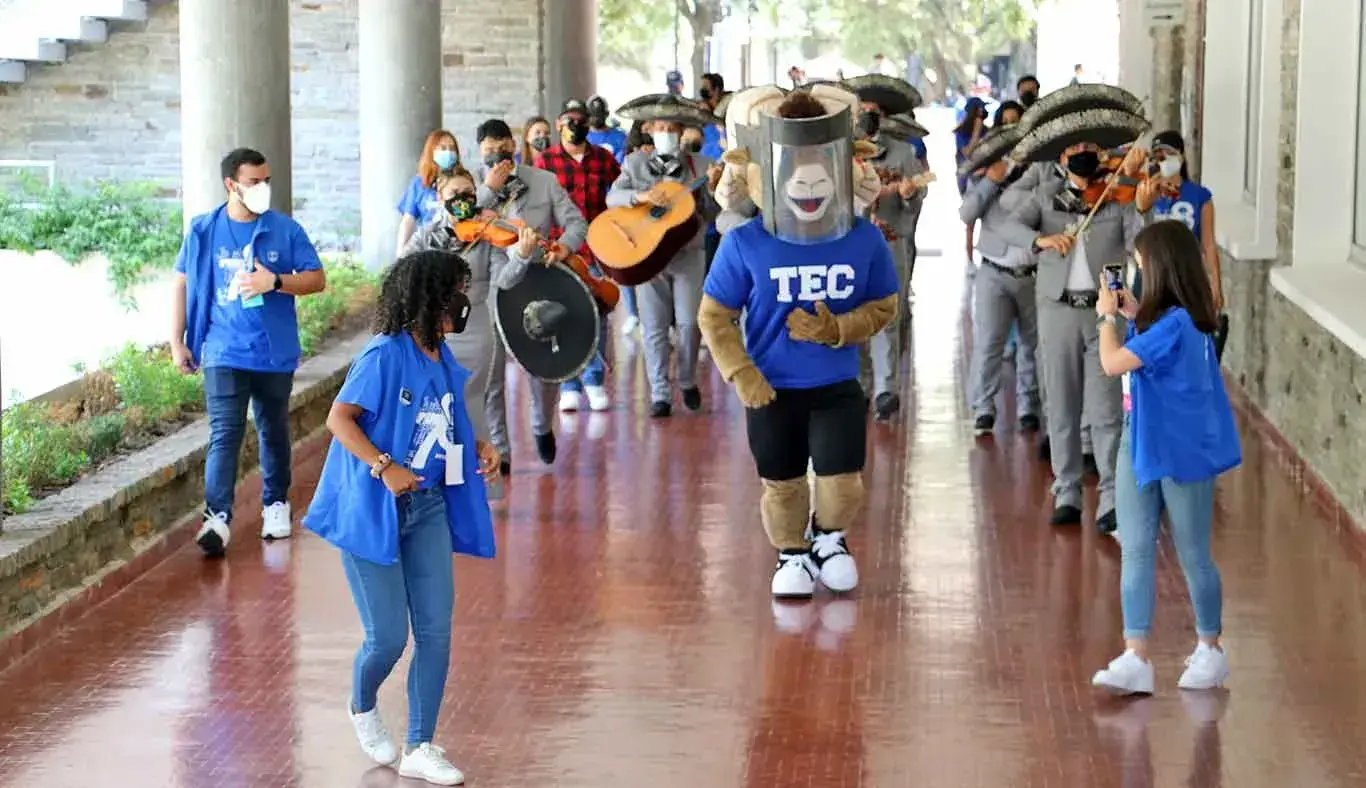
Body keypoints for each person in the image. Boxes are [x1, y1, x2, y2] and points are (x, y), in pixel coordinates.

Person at [303, 250, 499, 785]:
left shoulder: (441, 359)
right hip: (375, 512)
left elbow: (441, 423)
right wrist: (383, 465)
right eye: (459, 290)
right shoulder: (383, 356)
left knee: (435, 631)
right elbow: (339, 419)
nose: (466, 300)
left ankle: (421, 744)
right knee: (388, 637)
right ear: (432, 297)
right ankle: (362, 701)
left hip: (428, 508)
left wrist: (478, 446)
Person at [698, 88, 898, 598]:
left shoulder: (864, 238)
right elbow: (715, 315)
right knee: (782, 482)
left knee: (842, 480)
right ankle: (792, 551)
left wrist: (837, 330)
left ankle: (830, 540)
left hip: (835, 382)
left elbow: (884, 307)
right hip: (770, 387)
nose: (808, 178)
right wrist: (742, 374)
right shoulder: (744, 241)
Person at [1089, 220, 1240, 696]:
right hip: (1144, 440)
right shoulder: (1173, 320)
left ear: (1158, 266)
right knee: (1134, 547)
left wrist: (1106, 318)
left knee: (1192, 552)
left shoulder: (1178, 324)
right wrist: (1132, 314)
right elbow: (1148, 347)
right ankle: (1136, 655)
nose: (1133, 271)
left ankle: (1210, 647)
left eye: (1138, 263)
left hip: (1179, 448)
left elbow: (1113, 363)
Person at [998, 109, 1153, 532]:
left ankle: (1109, 497)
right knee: (1062, 404)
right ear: (1061, 157)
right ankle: (1066, 489)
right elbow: (1003, 226)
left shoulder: (1116, 195)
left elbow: (1140, 242)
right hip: (1057, 310)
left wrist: (1140, 202)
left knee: (1105, 410)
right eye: (1074, 149)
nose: (1083, 154)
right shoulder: (1046, 196)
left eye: (1090, 148)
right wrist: (1039, 239)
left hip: (1104, 315)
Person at [171, 147, 327, 557]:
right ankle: (217, 517)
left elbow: (316, 279)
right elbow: (182, 283)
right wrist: (177, 339)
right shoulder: (204, 230)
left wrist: (275, 282)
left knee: (272, 427)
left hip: (273, 351)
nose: (262, 188)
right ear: (231, 184)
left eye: (266, 180)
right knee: (225, 432)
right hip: (222, 348)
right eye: (254, 181)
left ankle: (275, 504)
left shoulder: (285, 230)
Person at [402, 169, 541, 478]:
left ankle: (476, 483)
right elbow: (401, 270)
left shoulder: (487, 235)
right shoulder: (427, 235)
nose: (463, 199)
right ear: (440, 198)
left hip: (474, 326)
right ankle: (441, 477)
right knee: (435, 406)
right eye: (455, 194)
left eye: (469, 193)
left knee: (471, 406)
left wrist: (521, 256)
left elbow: (505, 280)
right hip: (433, 330)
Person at [473, 118, 588, 467]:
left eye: (503, 147)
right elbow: (459, 228)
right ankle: (501, 452)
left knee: (541, 363)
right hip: (492, 287)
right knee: (492, 376)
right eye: (489, 150)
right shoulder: (472, 186)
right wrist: (488, 190)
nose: (498, 154)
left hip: (536, 282)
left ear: (515, 144)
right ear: (479, 152)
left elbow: (576, 222)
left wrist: (565, 249)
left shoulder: (544, 180)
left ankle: (542, 425)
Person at [606, 94, 721, 418]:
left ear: (682, 131)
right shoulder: (635, 163)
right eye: (660, 127)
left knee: (689, 323)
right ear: (649, 130)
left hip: (688, 253)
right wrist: (639, 195)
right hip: (647, 256)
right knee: (653, 327)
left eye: (672, 127)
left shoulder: (701, 166)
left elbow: (712, 214)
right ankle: (659, 392)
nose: (666, 133)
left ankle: (686, 380)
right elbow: (612, 197)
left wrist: (712, 191)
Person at [845, 73, 928, 422]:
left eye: (873, 110)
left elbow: (917, 199)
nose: (867, 114)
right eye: (861, 109)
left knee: (887, 315)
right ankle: (861, 385)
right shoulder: (840, 154)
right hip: (850, 246)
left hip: (890, 243)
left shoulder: (904, 152)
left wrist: (909, 196)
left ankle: (886, 390)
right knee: (852, 315)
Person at [534, 98, 623, 413]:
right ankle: (569, 383)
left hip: (598, 248)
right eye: (569, 120)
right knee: (563, 314)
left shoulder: (603, 159)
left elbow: (621, 194)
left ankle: (595, 379)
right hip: (560, 250)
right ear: (559, 124)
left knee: (598, 312)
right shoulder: (545, 162)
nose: (575, 126)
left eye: (580, 120)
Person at [958, 126, 1041, 438]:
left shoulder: (1039, 178)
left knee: (1032, 345)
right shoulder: (985, 181)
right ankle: (984, 407)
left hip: (1032, 274)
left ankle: (1028, 406)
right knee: (990, 342)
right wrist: (991, 181)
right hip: (993, 273)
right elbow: (966, 214)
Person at [1137, 131, 1225, 357]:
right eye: (1158, 155)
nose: (1163, 159)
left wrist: (1215, 284)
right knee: (1150, 339)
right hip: (1152, 274)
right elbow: (1134, 236)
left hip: (1186, 275)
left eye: (1169, 153)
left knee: (1187, 339)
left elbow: (1208, 245)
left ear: (1182, 157)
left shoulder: (1199, 196)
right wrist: (1142, 206)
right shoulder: (1146, 192)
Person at [397, 129, 462, 254]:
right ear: (431, 151)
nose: (448, 152)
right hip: (425, 245)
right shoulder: (418, 183)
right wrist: (401, 251)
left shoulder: (462, 181)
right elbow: (408, 220)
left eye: (452, 148)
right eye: (442, 148)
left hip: (454, 244)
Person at [955, 97, 989, 266]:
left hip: (987, 179)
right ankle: (969, 260)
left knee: (988, 220)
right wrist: (976, 130)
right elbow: (968, 152)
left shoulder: (988, 131)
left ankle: (986, 256)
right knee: (970, 222)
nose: (982, 116)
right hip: (968, 181)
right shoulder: (961, 133)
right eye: (979, 112)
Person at [586, 95, 628, 163]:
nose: (595, 118)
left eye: (599, 114)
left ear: (606, 114)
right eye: (592, 114)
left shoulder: (620, 137)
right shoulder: (581, 137)